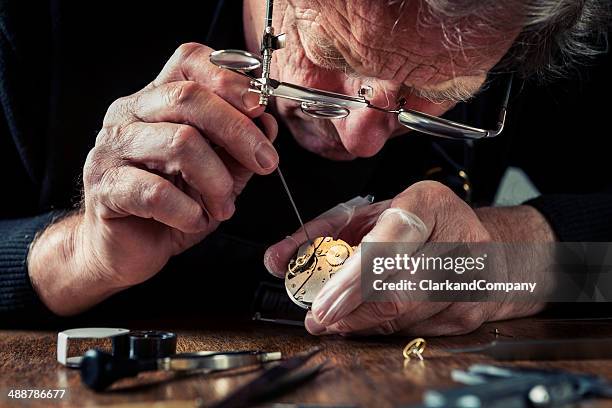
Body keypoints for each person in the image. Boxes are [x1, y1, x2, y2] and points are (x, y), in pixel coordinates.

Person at [1, 0, 610, 334]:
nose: (363, 138)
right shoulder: (41, 21)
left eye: (444, 86)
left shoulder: (539, 24)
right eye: (329, 55)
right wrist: (78, 256)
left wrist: (511, 261)